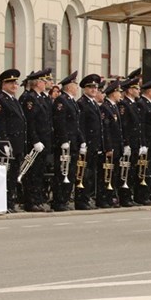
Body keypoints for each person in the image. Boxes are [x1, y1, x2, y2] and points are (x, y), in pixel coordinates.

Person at [0, 69, 27, 212]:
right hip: (9, 143)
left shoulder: (13, 99)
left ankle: (10, 202)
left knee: (13, 175)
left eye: (15, 83)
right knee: (8, 176)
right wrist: (4, 142)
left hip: (17, 143)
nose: (14, 85)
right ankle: (5, 203)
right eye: (10, 83)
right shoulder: (0, 100)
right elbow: (1, 124)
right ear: (3, 84)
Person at [20, 69, 53, 212]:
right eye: (43, 81)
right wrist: (35, 140)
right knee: (32, 174)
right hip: (35, 143)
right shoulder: (30, 98)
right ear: (38, 83)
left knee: (39, 173)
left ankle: (38, 199)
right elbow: (30, 122)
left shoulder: (40, 97)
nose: (45, 83)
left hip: (43, 141)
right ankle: (31, 201)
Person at [51, 71, 84, 212]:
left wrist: (81, 141)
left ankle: (64, 199)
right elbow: (60, 122)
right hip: (65, 143)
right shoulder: (61, 100)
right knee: (62, 172)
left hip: (73, 142)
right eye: (75, 85)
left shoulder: (71, 101)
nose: (77, 87)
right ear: (70, 86)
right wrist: (64, 139)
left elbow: (76, 125)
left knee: (70, 173)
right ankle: (59, 201)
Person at [77, 74, 103, 210]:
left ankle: (87, 198)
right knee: (84, 174)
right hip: (86, 144)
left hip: (94, 144)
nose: (94, 90)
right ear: (84, 89)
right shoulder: (82, 103)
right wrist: (83, 142)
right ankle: (82, 200)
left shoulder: (93, 103)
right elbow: (81, 125)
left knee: (91, 173)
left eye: (95, 87)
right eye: (90, 87)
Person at [135, 78, 151, 205]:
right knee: (144, 170)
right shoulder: (142, 104)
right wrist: (143, 143)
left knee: (149, 170)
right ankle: (142, 196)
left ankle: (146, 194)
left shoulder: (150, 104)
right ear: (150, 91)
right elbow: (142, 126)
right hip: (147, 143)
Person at [99, 80, 125, 208]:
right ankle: (105, 198)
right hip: (110, 146)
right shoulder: (105, 107)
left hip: (116, 146)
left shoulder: (114, 107)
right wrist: (108, 146)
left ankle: (111, 196)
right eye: (118, 92)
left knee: (114, 173)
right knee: (107, 174)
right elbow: (106, 129)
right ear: (113, 93)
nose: (120, 94)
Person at [118, 78, 143, 206]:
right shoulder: (124, 104)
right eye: (136, 88)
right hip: (129, 142)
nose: (139, 91)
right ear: (130, 90)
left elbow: (137, 126)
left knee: (132, 170)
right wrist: (126, 143)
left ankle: (129, 195)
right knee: (126, 171)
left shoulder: (134, 104)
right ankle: (124, 197)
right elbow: (125, 126)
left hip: (135, 142)